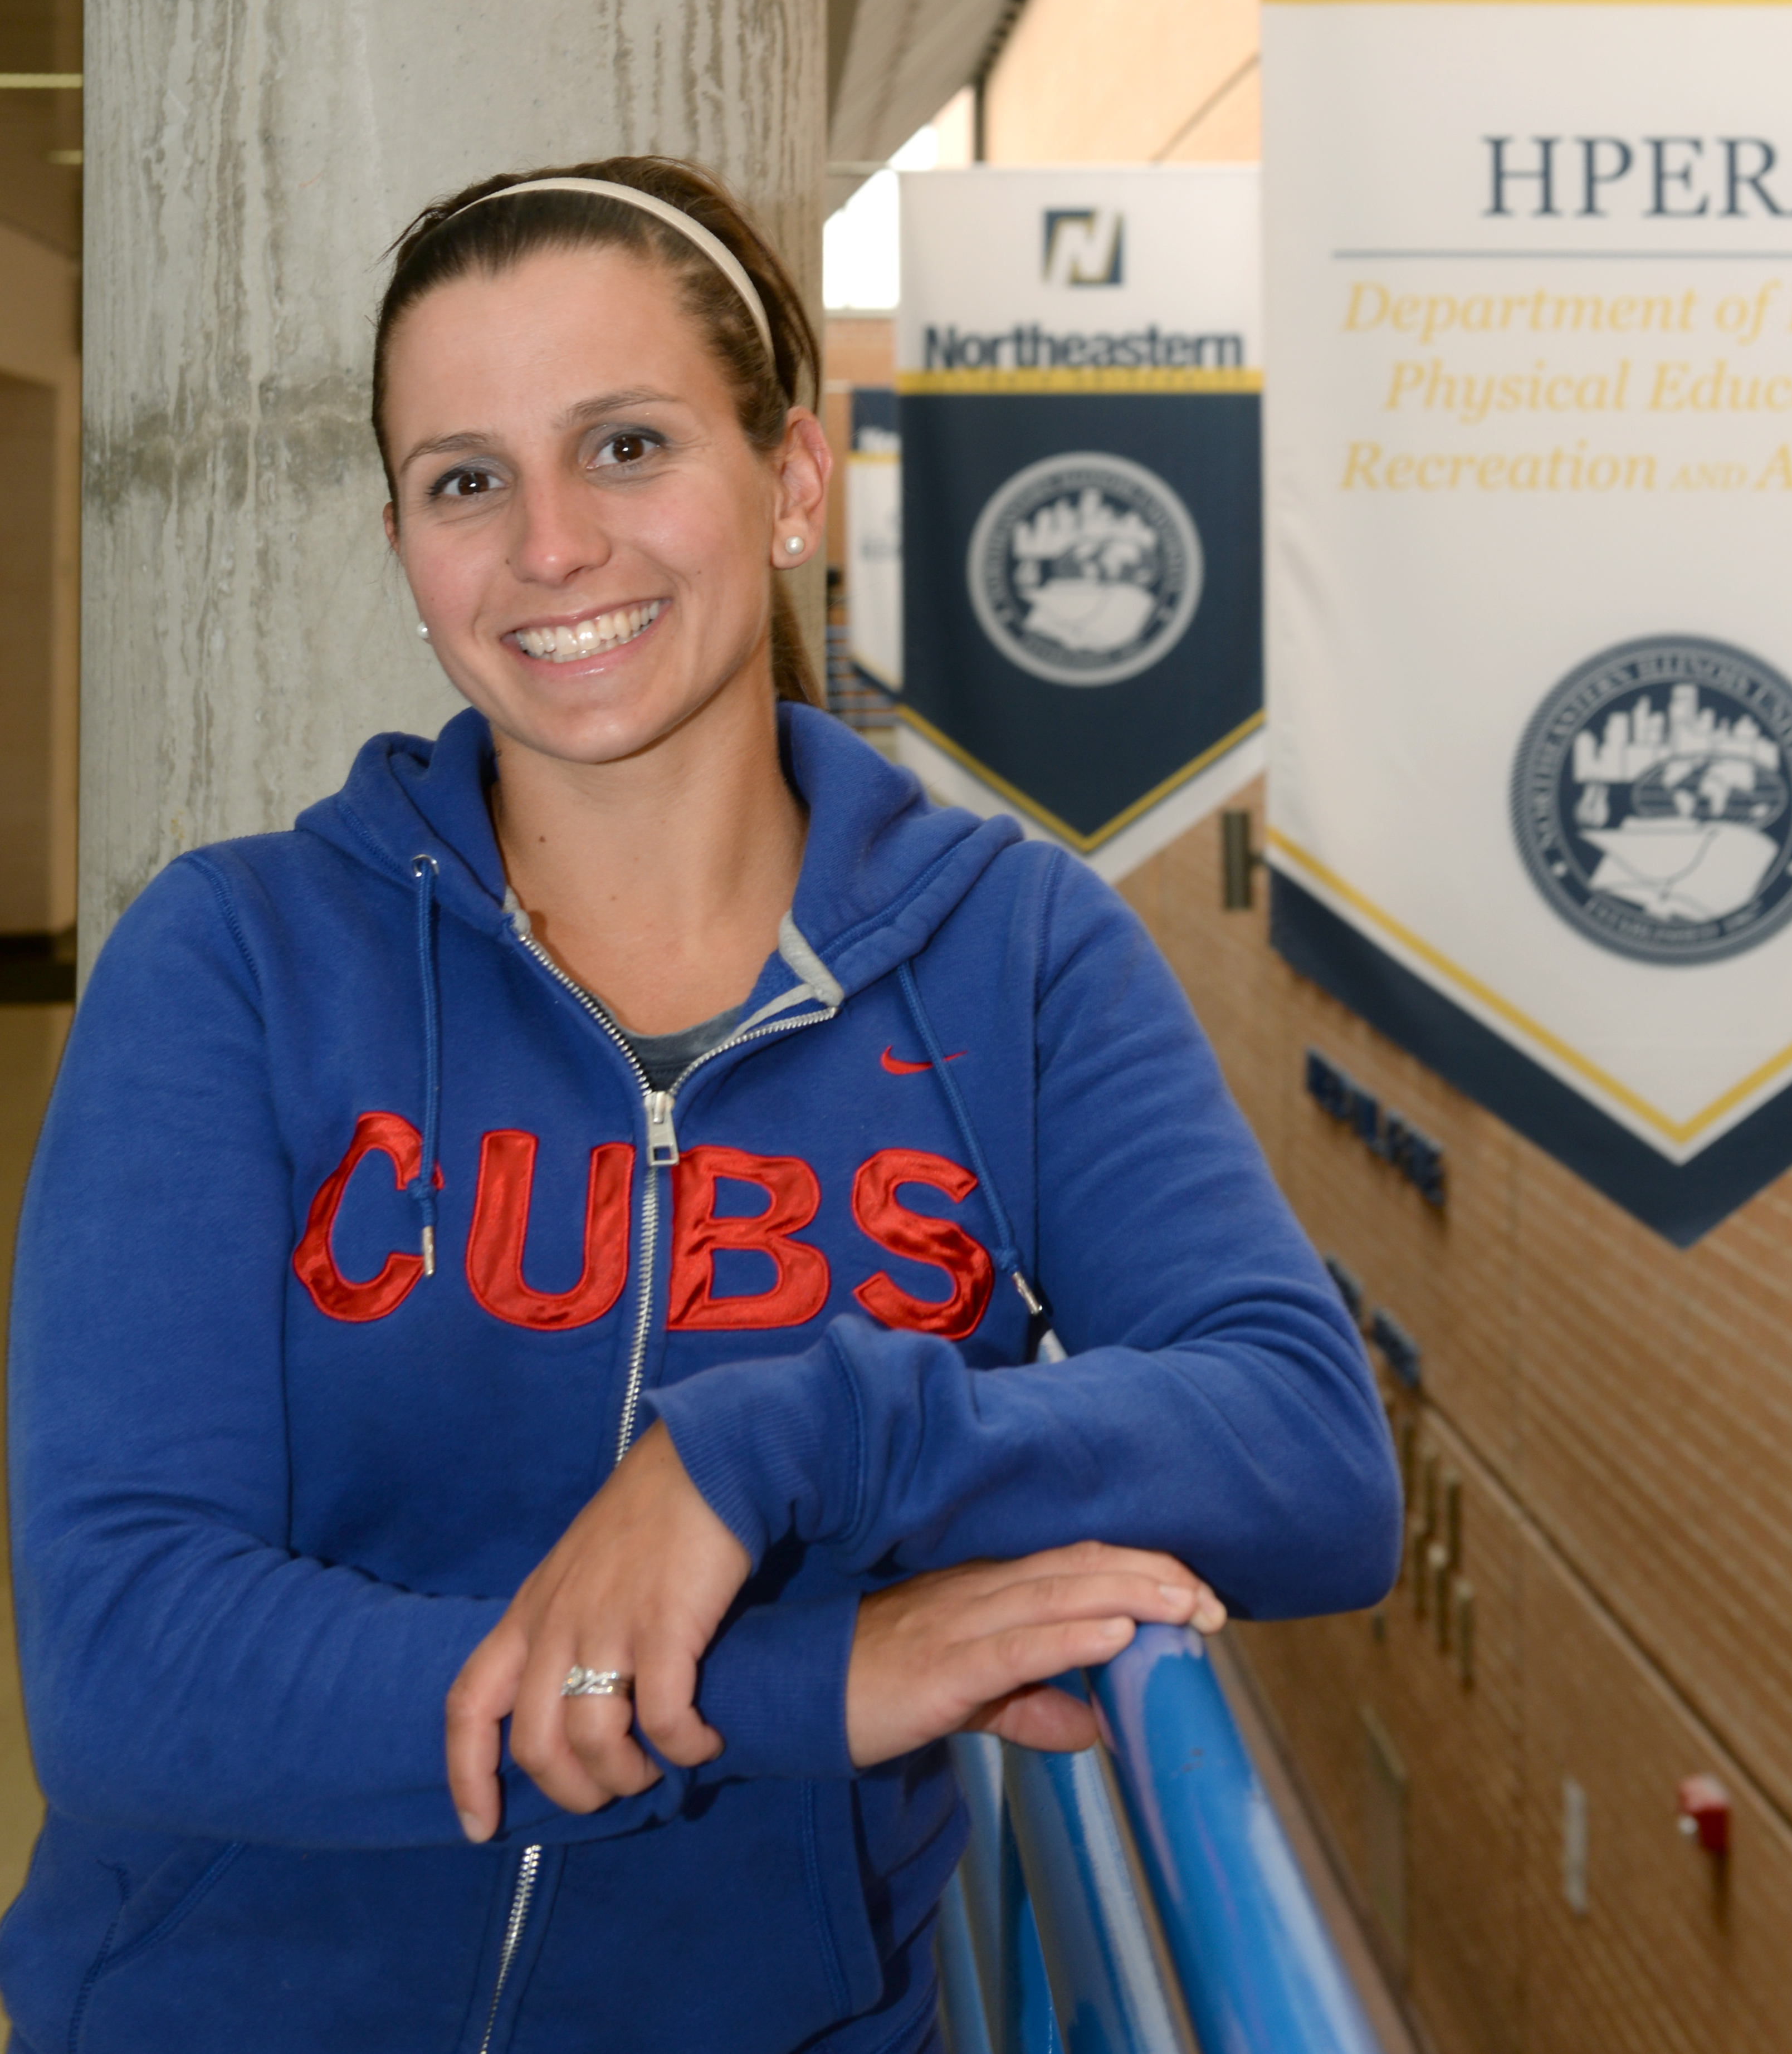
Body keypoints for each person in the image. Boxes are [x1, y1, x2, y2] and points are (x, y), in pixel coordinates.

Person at [1, 157, 1401, 2053]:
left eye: (629, 444)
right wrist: (798, 1684)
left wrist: (782, 1443)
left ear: (795, 483)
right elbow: (131, 1660)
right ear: (409, 543)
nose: (551, 544)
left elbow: (1306, 1448)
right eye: (466, 479)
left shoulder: (1010, 954)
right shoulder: (236, 961)